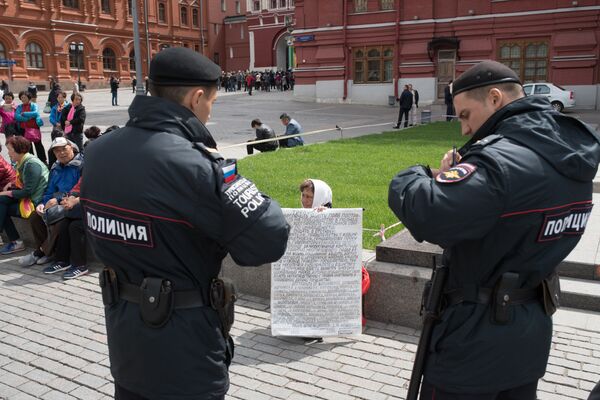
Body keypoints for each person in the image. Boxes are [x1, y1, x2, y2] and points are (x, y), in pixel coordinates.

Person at [81, 47, 289, 400]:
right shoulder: (196, 166)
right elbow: (270, 238)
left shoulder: (100, 151)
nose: (209, 112)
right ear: (195, 98)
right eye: (211, 102)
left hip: (126, 343)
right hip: (186, 354)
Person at [388, 60, 600, 399]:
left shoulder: (500, 162)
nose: (464, 130)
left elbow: (426, 211)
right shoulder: (571, 153)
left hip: (474, 343)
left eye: (465, 115)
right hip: (528, 332)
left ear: (496, 98)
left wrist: (418, 174)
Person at [20, 137, 82, 269]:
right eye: (57, 151)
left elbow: (78, 190)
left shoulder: (81, 165)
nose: (61, 153)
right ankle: (49, 252)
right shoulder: (55, 167)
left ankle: (41, 252)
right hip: (55, 202)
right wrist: (43, 203)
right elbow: (49, 189)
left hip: (72, 202)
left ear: (72, 148)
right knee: (35, 217)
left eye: (64, 149)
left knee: (61, 222)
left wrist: (58, 199)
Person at [0, 136, 49, 255]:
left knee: (2, 204)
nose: (8, 153)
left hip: (35, 202)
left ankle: (16, 242)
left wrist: (7, 192)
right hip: (27, 198)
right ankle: (16, 243)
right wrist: (11, 184)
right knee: (1, 203)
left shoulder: (31, 164)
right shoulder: (23, 162)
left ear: (19, 149)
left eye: (10, 150)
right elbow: (23, 183)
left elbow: (28, 191)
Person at [15, 91, 46, 164]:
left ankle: (43, 160)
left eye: (25, 97)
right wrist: (27, 118)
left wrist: (24, 114)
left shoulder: (34, 105)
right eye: (21, 97)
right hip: (24, 129)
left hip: (34, 128)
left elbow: (35, 113)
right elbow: (17, 116)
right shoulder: (19, 107)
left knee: (38, 145)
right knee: (28, 146)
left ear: (29, 98)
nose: (23, 99)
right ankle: (31, 161)